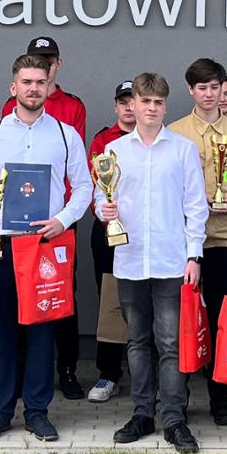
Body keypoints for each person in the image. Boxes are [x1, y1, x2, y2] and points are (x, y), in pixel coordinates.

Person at [0, 54, 94, 443]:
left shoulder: (65, 135)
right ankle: (0, 412)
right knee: (3, 332)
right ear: (14, 87)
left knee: (41, 332)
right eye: (27, 82)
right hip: (0, 245)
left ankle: (37, 412)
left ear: (49, 87)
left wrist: (63, 220)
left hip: (43, 245)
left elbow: (85, 187)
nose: (34, 89)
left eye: (40, 82)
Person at [98, 73, 208, 454]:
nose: (151, 108)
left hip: (171, 261)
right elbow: (100, 199)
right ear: (132, 104)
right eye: (145, 101)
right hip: (130, 260)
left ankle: (174, 418)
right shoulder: (114, 151)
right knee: (137, 341)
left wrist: (194, 255)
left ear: (165, 106)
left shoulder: (182, 150)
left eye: (158, 102)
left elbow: (196, 207)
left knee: (171, 343)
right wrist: (103, 209)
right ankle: (143, 413)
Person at [168, 57, 227, 427]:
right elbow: (166, 188)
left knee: (223, 320)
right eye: (202, 88)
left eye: (215, 87)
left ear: (224, 89)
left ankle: (220, 397)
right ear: (191, 90)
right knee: (183, 323)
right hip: (184, 244)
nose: (209, 94)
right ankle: (179, 397)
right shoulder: (175, 132)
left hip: (226, 240)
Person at [0, 37, 88, 399]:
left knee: (58, 296)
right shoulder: (4, 117)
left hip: (56, 220)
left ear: (57, 65)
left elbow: (74, 171)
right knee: (18, 301)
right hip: (14, 224)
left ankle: (66, 369)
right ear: (16, 84)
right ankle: (20, 376)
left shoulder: (72, 108)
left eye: (48, 61)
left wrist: (61, 217)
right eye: (37, 62)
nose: (43, 69)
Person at [82, 80, 137, 403]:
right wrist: (107, 214)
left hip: (143, 232)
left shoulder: (152, 138)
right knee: (110, 299)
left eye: (133, 100)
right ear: (116, 106)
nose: (129, 107)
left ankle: (146, 372)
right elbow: (95, 188)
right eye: (123, 102)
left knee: (145, 299)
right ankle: (109, 373)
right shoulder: (104, 139)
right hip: (108, 231)